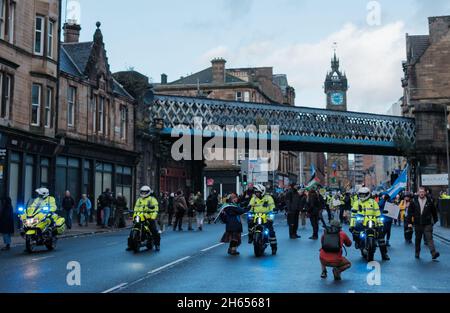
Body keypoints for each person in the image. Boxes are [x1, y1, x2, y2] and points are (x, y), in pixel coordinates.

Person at [350, 187, 390, 261]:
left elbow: (378, 213)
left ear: (368, 194)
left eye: (363, 195)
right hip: (361, 222)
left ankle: (384, 254)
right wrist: (351, 225)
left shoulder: (373, 202)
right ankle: (358, 243)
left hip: (373, 221)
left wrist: (380, 223)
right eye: (360, 195)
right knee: (355, 233)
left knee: (381, 237)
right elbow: (353, 215)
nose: (362, 196)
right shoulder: (357, 202)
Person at [407, 187, 440, 260]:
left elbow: (434, 212)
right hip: (417, 223)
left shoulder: (429, 201)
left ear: (425, 192)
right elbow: (410, 213)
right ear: (418, 193)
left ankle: (433, 253)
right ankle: (417, 253)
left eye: (423, 192)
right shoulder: (413, 201)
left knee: (429, 238)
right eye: (420, 192)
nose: (421, 193)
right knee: (418, 239)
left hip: (427, 223)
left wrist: (434, 221)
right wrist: (409, 222)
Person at [248, 184, 278, 255]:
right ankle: (250, 236)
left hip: (266, 216)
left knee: (271, 231)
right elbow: (250, 206)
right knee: (250, 224)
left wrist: (273, 209)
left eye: (258, 192)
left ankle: (274, 247)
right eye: (256, 192)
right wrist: (247, 208)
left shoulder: (268, 198)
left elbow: (272, 205)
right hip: (256, 216)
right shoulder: (254, 198)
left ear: (262, 191)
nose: (256, 193)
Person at [132, 186, 160, 251]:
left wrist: (153, 217)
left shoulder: (152, 199)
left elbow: (156, 209)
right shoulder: (139, 200)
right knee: (133, 229)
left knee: (154, 230)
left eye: (145, 192)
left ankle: (157, 244)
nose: (144, 194)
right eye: (142, 192)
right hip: (140, 216)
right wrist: (135, 215)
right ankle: (131, 245)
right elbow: (135, 209)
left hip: (149, 217)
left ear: (148, 192)